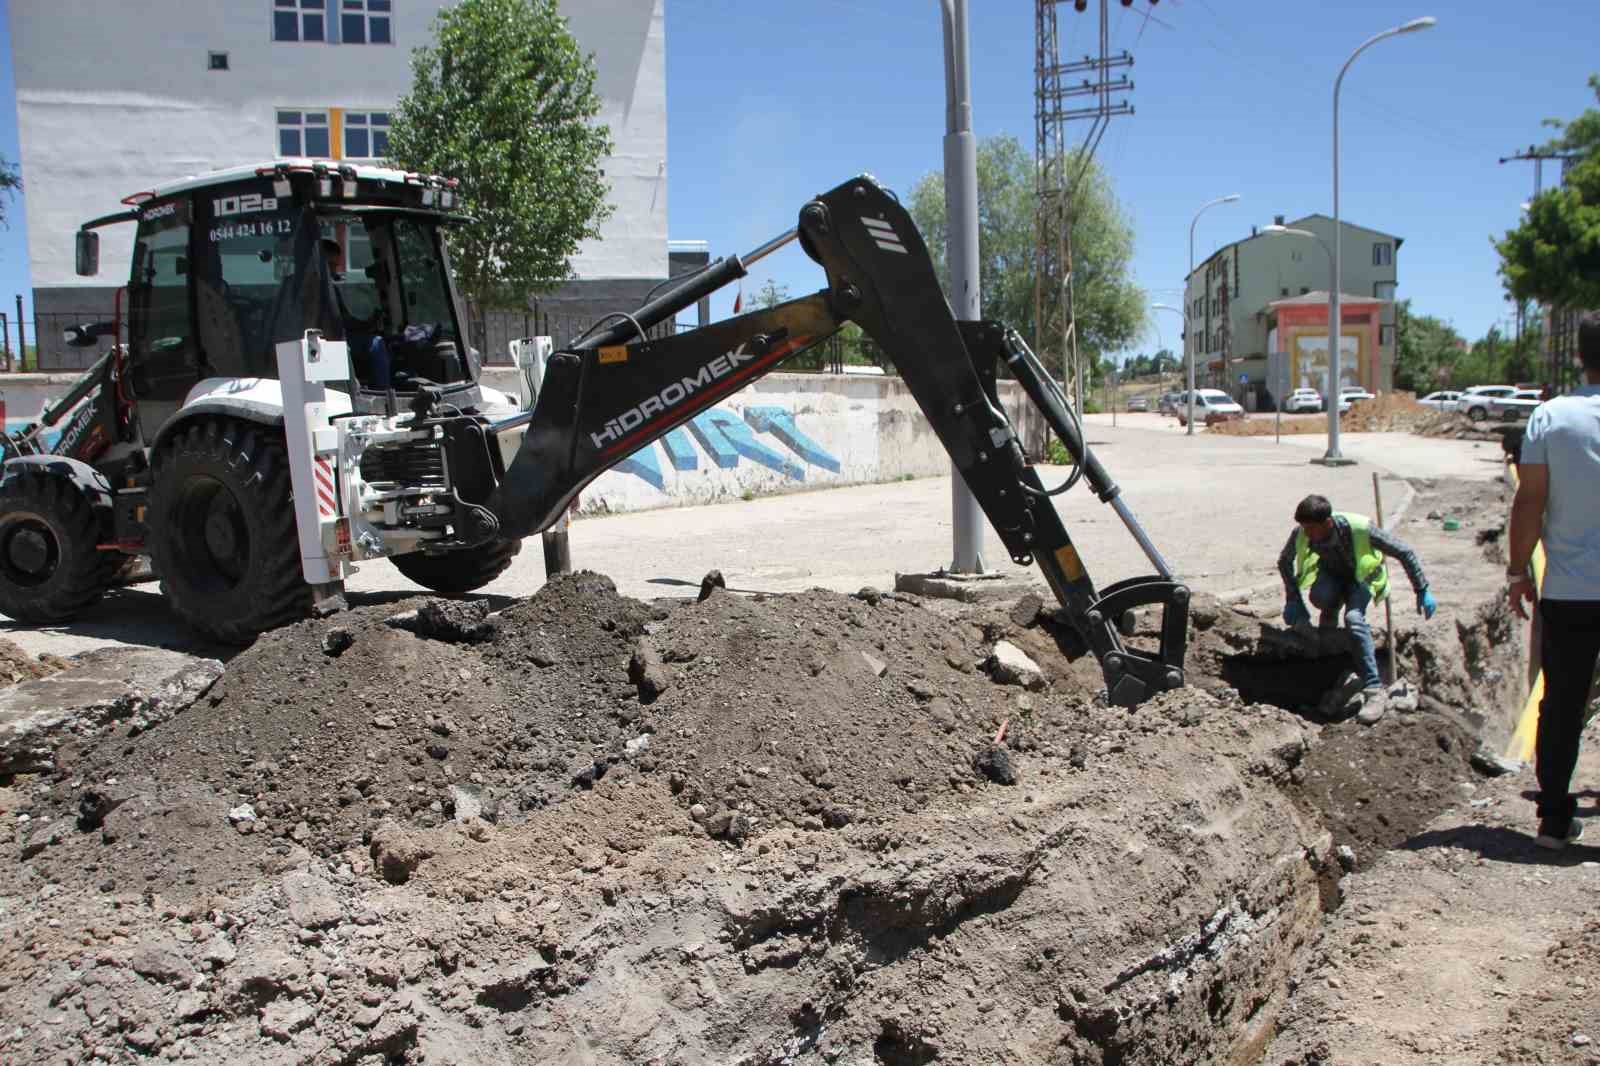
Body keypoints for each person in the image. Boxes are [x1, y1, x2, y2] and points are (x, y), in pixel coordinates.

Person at [1508, 311, 1600, 851]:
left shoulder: (1550, 418)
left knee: (1562, 702)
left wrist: (1519, 571)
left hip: (1569, 592)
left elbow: (1529, 502)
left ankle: (1553, 820)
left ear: (1578, 357)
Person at [1278, 493, 1435, 723]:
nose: (1307, 534)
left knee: (1354, 619)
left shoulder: (1360, 529)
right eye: (1304, 528)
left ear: (1328, 523)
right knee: (1321, 597)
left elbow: (1404, 551)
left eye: (1311, 528)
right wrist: (1293, 599)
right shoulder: (1302, 532)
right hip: (1331, 577)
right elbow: (1284, 561)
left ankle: (1373, 689)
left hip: (1360, 580)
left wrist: (1422, 589)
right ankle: (1331, 663)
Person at [321, 238, 391, 387]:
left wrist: (367, 323)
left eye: (335, 266)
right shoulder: (319, 289)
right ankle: (383, 392)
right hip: (328, 342)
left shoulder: (328, 288)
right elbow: (340, 323)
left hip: (334, 337)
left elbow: (343, 319)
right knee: (377, 344)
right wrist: (366, 325)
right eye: (330, 265)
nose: (333, 271)